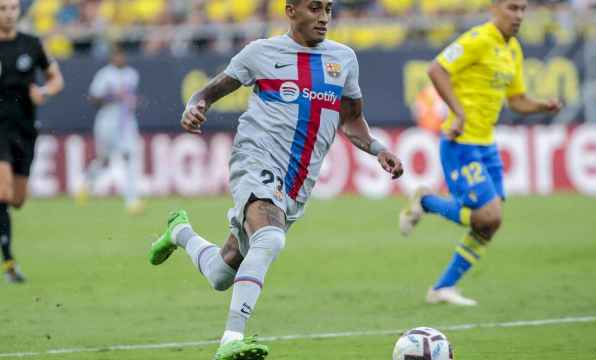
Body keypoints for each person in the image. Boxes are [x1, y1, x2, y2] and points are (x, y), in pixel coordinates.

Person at [148, 0, 404, 359]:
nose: (324, 18)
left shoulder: (343, 59)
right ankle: (231, 339)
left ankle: (179, 232)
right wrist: (196, 107)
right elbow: (206, 93)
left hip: (298, 181)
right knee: (270, 238)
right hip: (256, 157)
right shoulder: (261, 53)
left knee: (222, 274)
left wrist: (377, 148)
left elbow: (351, 119)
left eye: (329, 9)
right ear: (291, 10)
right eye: (315, 9)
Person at [399, 0, 561, 306]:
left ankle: (442, 288)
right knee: (488, 215)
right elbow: (436, 69)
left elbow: (517, 101)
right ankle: (426, 201)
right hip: (460, 142)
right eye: (512, 8)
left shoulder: (512, 49)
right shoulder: (477, 40)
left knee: (490, 223)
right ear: (495, 8)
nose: (519, 16)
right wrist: (457, 113)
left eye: (523, 9)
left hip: (487, 145)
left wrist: (542, 105)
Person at [0, 0, 64, 283]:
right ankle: (9, 262)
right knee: (2, 193)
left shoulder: (32, 43)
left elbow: (55, 79)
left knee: (16, 200)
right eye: (3, 8)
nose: (9, 14)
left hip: (24, 130)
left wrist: (44, 91)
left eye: (13, 8)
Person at [75, 45, 144, 214]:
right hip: (107, 122)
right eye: (117, 55)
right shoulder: (105, 75)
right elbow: (93, 99)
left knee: (129, 157)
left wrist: (134, 102)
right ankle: (86, 183)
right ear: (112, 57)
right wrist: (112, 97)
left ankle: (132, 201)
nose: (120, 58)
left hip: (127, 123)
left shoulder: (132, 74)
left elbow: (131, 99)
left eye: (122, 55)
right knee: (104, 160)